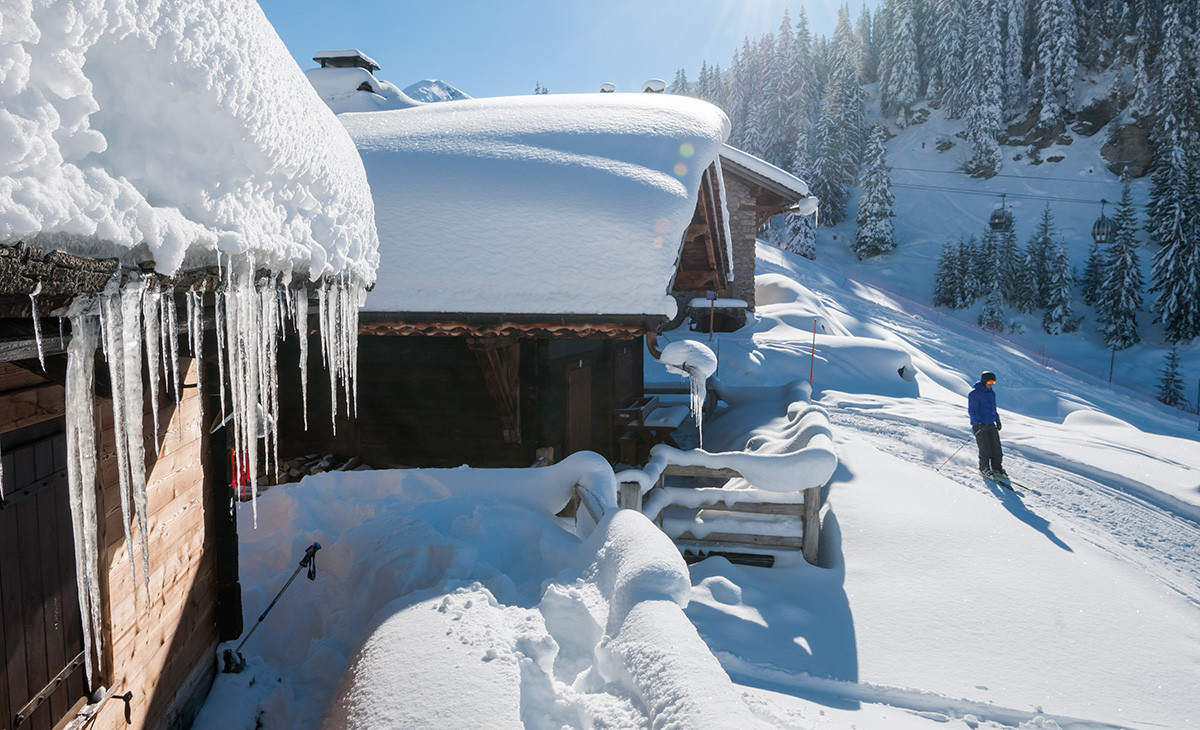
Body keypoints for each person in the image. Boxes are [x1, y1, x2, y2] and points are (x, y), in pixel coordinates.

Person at [968, 370, 1005, 477]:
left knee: (997, 447)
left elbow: (993, 409)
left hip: (990, 424)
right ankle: (984, 468)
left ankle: (997, 467)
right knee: (985, 448)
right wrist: (979, 423)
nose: (991, 385)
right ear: (983, 381)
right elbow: (972, 411)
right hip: (979, 425)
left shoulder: (992, 393)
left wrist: (997, 420)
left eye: (993, 383)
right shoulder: (974, 394)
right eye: (989, 382)